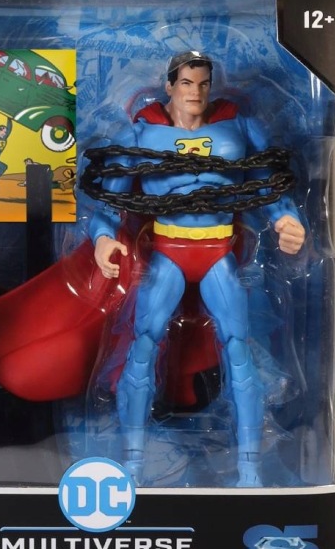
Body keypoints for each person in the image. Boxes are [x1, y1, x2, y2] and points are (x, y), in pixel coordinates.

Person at [87, 51, 306, 487]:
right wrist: (102, 238)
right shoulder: (141, 133)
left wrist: (287, 220)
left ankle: (249, 470)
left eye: (204, 83)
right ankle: (131, 466)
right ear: (170, 86)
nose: (196, 92)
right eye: (187, 83)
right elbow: (109, 200)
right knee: (143, 345)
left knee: (238, 350)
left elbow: (270, 182)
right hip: (168, 249)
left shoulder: (239, 128)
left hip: (218, 250)